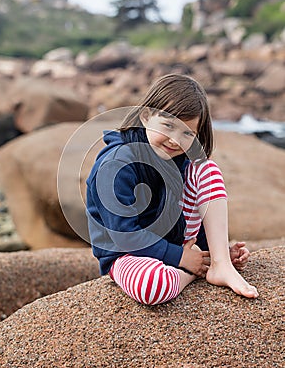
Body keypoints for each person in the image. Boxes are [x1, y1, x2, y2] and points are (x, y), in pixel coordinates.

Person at [86, 74, 258, 305]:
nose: (175, 141)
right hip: (126, 253)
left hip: (172, 242)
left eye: (187, 133)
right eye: (168, 126)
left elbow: (187, 211)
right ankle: (193, 273)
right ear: (146, 117)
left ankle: (219, 265)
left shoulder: (177, 159)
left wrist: (216, 251)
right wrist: (184, 259)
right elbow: (124, 235)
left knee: (206, 168)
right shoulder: (116, 166)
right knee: (152, 287)